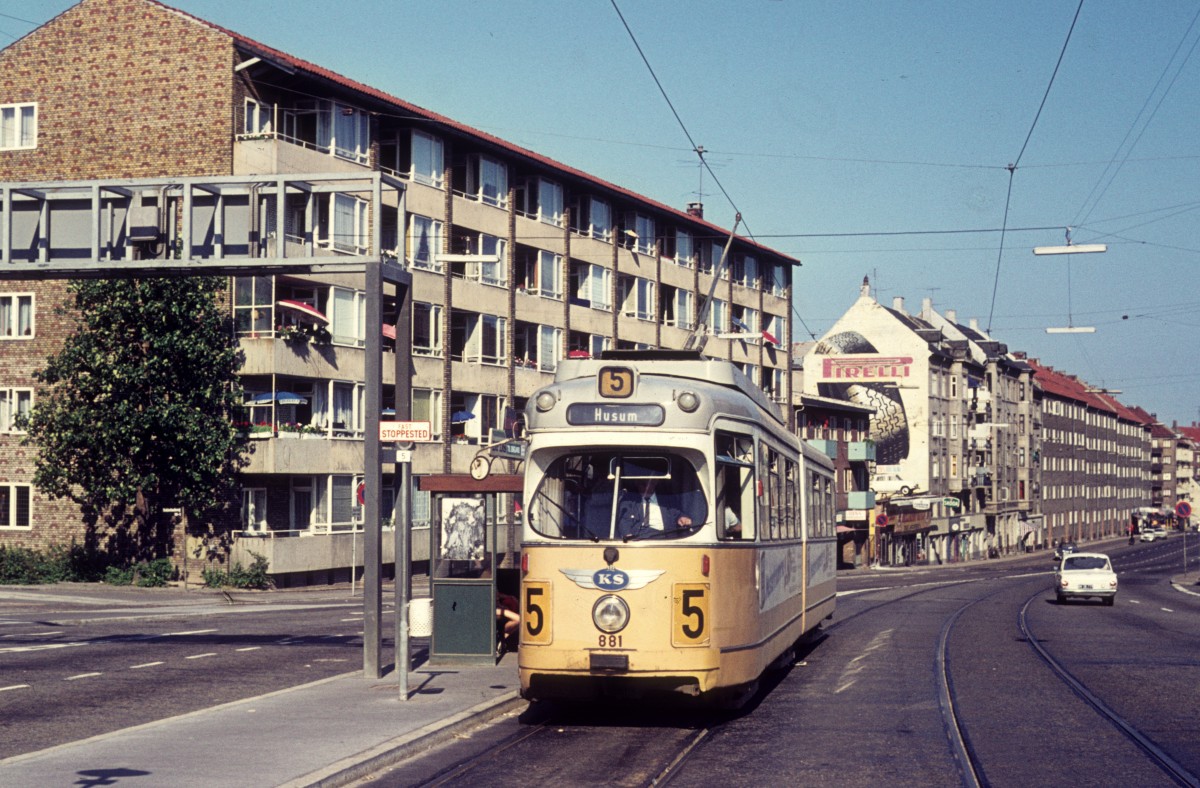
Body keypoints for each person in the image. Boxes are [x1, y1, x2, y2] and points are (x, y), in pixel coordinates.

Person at [616, 478, 692, 537]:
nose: (646, 488)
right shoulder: (629, 500)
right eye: (642, 484)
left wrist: (682, 518)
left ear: (655, 483)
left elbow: (677, 513)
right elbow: (624, 521)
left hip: (665, 538)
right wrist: (627, 535)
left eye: (649, 484)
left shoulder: (667, 498)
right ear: (637, 483)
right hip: (639, 539)